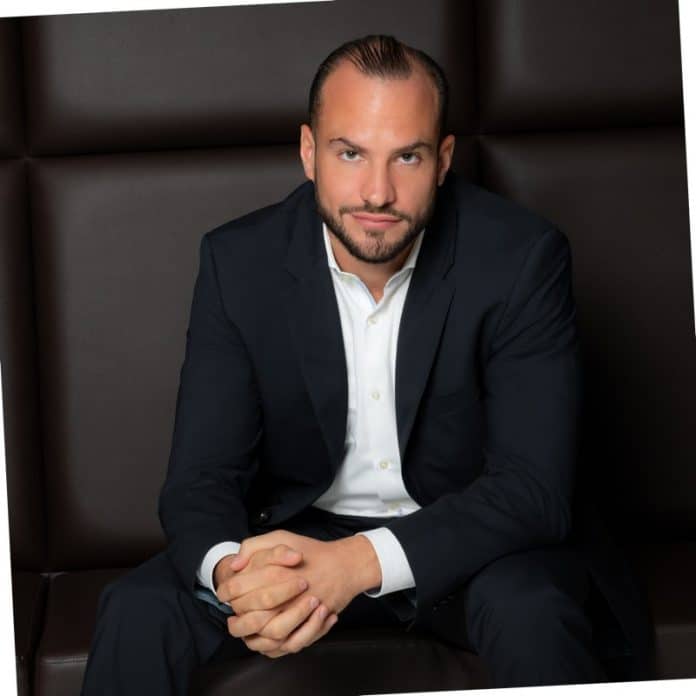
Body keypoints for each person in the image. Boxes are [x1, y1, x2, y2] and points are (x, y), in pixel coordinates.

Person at [81, 34, 652, 695]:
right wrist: (238, 578)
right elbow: (199, 479)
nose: (377, 193)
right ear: (308, 153)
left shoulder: (521, 259)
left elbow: (532, 489)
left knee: (533, 614)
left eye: (407, 156)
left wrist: (355, 565)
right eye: (350, 153)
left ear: (442, 160)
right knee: (138, 610)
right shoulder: (238, 263)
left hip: (468, 545)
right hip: (296, 543)